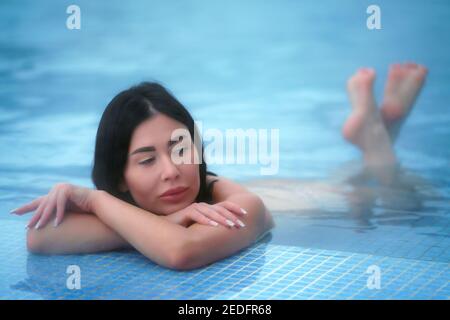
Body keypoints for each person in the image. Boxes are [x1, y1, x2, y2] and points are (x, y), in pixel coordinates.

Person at [11, 62, 427, 270]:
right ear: (120, 174)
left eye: (180, 148)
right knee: (364, 177)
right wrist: (172, 218)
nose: (172, 171)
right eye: (146, 159)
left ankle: (376, 137)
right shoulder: (146, 209)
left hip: (319, 205)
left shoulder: (241, 206)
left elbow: (180, 253)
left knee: (398, 197)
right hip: (304, 189)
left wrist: (92, 198)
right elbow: (41, 238)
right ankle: (377, 129)